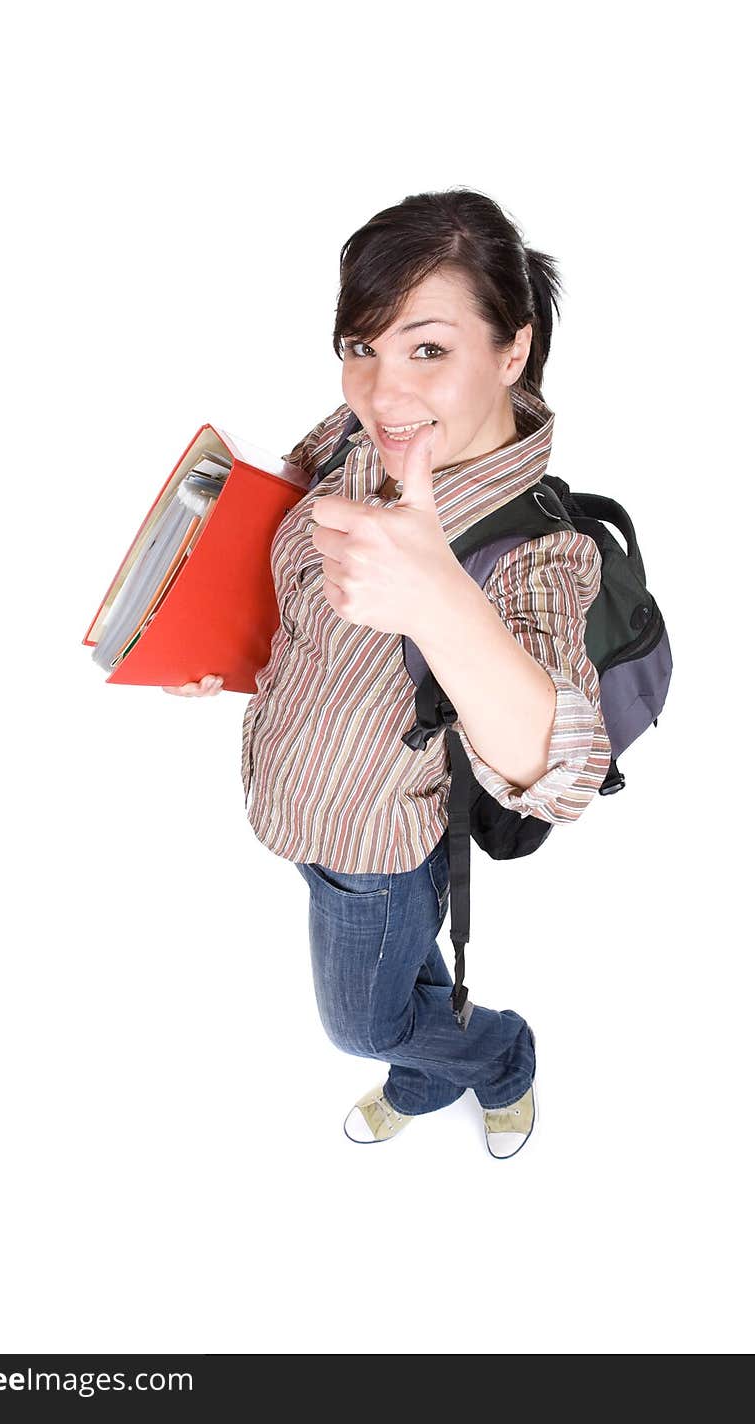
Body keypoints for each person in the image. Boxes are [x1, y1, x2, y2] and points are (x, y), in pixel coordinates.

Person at [163, 188, 612, 1158]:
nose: (381, 388)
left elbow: (565, 764)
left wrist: (438, 597)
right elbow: (288, 530)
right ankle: (423, 1069)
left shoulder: (541, 548)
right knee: (394, 984)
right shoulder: (360, 428)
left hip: (374, 848)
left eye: (428, 348)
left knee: (359, 1021)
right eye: (361, 345)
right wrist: (220, 642)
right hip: (301, 791)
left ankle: (498, 1060)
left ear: (512, 350)